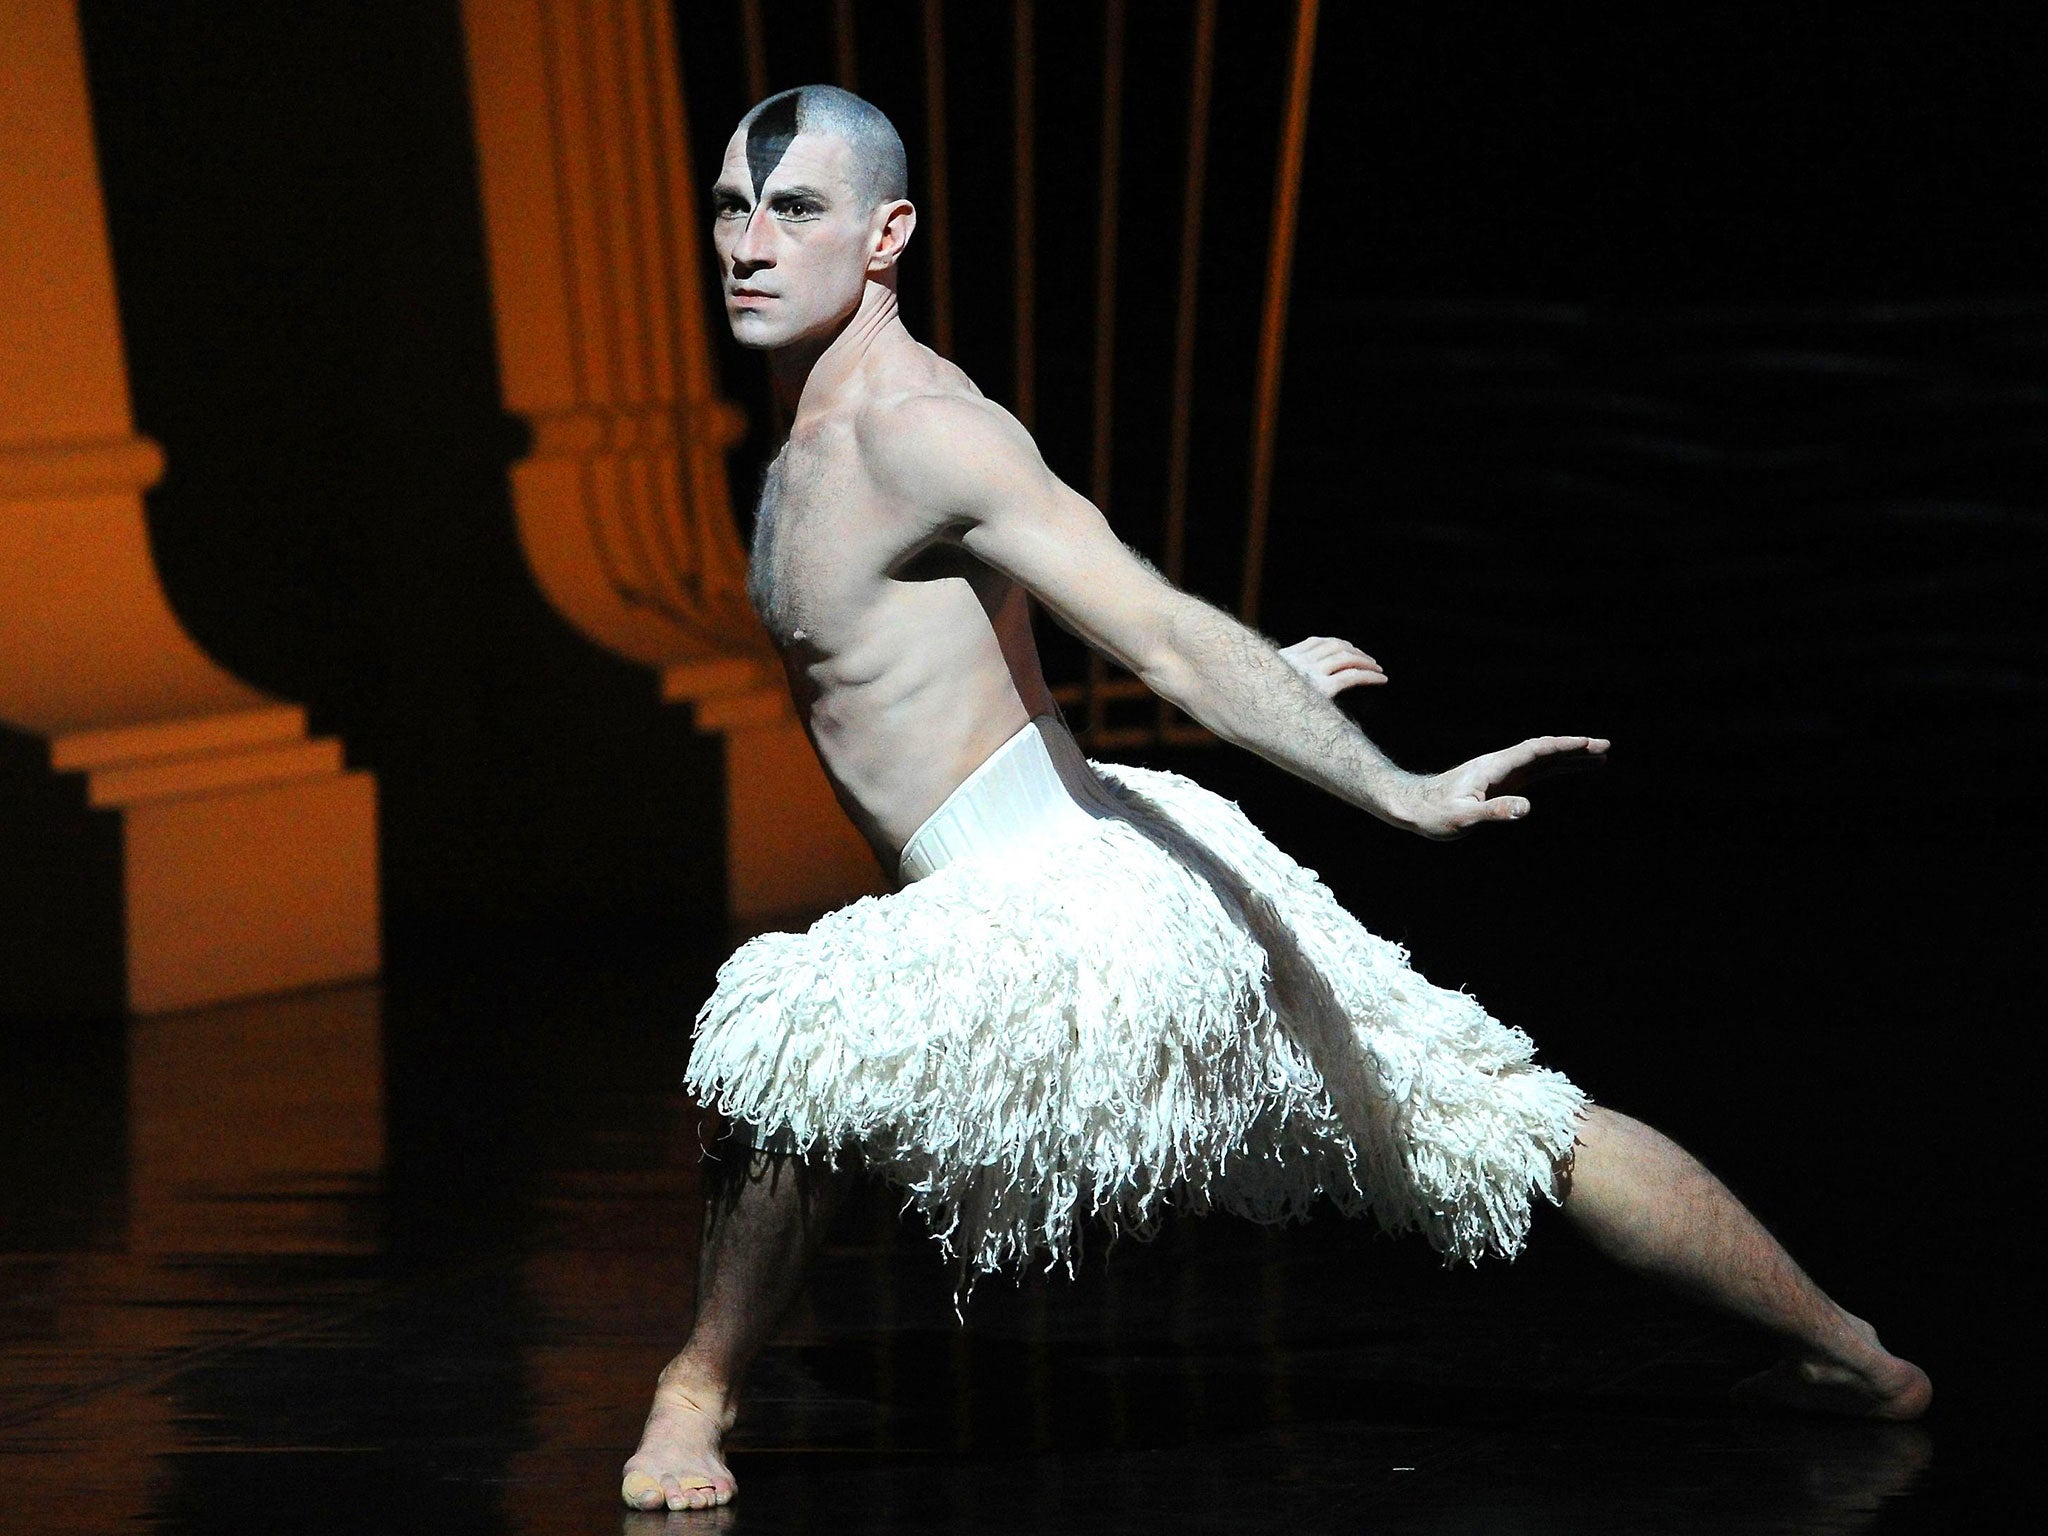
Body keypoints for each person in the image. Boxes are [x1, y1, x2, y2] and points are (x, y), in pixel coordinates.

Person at [621, 85, 1930, 1514]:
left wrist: (1394, 789)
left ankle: (695, 1397)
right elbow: (999, 662)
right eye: (732, 211)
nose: (749, 244)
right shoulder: (810, 435)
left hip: (1072, 902)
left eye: (793, 210)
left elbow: (1165, 628)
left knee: (793, 1048)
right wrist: (1282, 685)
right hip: (1124, 839)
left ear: (889, 235)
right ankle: (1855, 1356)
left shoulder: (925, 432)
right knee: (1509, 1121)